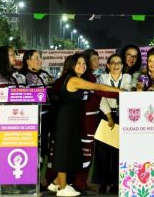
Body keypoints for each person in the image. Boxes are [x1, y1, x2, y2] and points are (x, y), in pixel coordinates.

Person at [48, 53, 123, 197]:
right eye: (78, 63)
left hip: (71, 120)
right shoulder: (74, 79)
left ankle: (56, 182)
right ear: (71, 65)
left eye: (84, 63)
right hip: (66, 120)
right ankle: (63, 188)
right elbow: (97, 87)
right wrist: (121, 91)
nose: (82, 66)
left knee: (70, 152)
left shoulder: (73, 78)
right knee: (64, 152)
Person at [0, 46, 26, 195]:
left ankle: (11, 183)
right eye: (11, 55)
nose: (15, 57)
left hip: (16, 121)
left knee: (12, 153)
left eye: (15, 54)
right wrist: (11, 93)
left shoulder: (18, 75)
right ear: (3, 57)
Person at [72, 48, 115, 193]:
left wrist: (108, 115)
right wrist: (120, 93)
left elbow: (99, 97)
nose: (97, 62)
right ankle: (78, 184)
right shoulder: (83, 78)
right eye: (94, 60)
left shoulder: (91, 77)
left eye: (98, 59)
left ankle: (81, 183)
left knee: (88, 152)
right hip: (85, 121)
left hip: (92, 119)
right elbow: (100, 93)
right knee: (85, 152)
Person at [93, 53, 133, 193]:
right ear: (108, 65)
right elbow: (102, 98)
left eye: (119, 63)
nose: (116, 65)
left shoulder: (127, 77)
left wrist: (112, 92)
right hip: (106, 115)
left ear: (122, 65)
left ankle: (116, 182)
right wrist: (109, 116)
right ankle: (103, 183)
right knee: (103, 151)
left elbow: (126, 93)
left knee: (119, 151)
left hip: (123, 116)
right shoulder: (102, 78)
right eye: (113, 63)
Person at [20, 50, 55, 173]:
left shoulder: (46, 75)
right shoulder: (21, 76)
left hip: (47, 120)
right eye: (37, 58)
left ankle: (38, 178)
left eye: (40, 58)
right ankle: (27, 178)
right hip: (29, 121)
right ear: (28, 60)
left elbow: (54, 93)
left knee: (44, 150)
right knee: (30, 151)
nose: (40, 61)